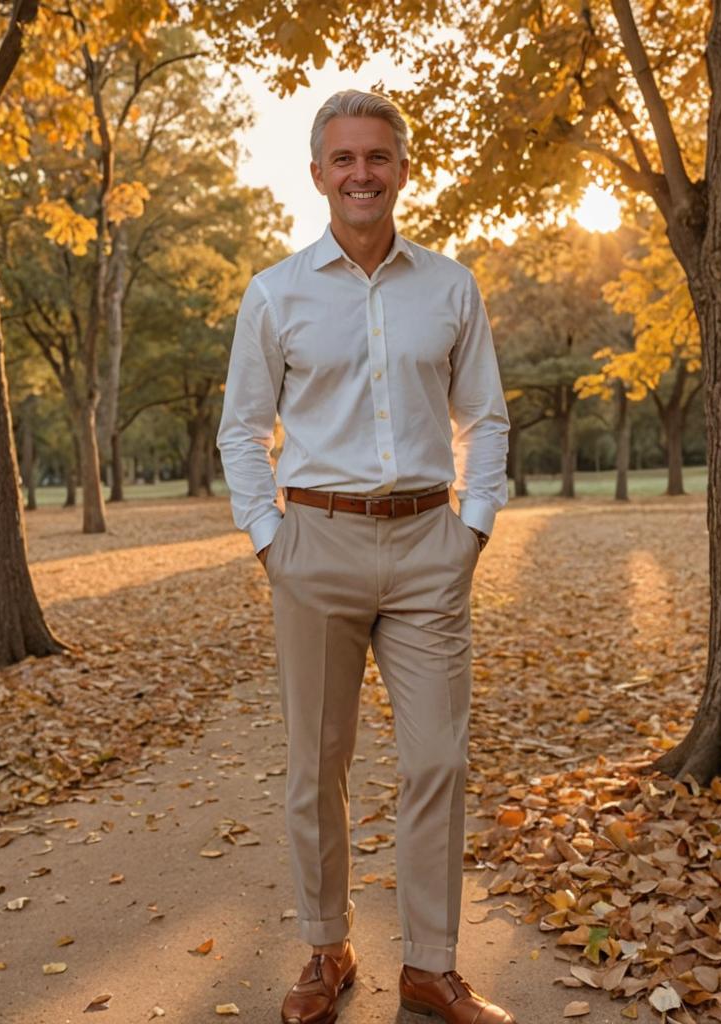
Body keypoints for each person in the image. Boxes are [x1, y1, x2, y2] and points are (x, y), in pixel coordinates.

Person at [217, 89, 513, 1024]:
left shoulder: (451, 286)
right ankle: (326, 948)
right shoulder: (275, 292)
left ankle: (430, 965)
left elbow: (487, 417)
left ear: (401, 169)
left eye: (376, 157)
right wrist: (272, 541)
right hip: (316, 544)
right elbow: (241, 430)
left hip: (431, 543)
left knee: (438, 761)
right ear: (316, 174)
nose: (360, 174)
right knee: (317, 765)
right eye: (343, 159)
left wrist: (474, 526)